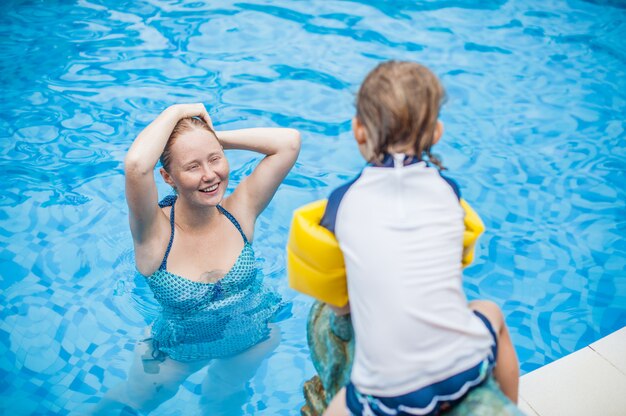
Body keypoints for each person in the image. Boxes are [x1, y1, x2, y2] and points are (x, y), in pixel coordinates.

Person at [321, 61, 519, 416]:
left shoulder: (341, 202)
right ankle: (507, 405)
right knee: (491, 311)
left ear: (358, 130)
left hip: (388, 395)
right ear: (436, 133)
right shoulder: (448, 191)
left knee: (335, 410)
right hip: (465, 369)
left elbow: (340, 303)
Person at [98, 103, 300, 414]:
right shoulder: (155, 236)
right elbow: (137, 165)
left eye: (215, 159)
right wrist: (178, 110)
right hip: (177, 353)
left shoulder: (239, 212)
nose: (210, 175)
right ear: (167, 177)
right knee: (132, 403)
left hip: (253, 336)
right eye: (192, 166)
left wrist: (210, 137)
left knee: (223, 403)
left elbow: (288, 142)